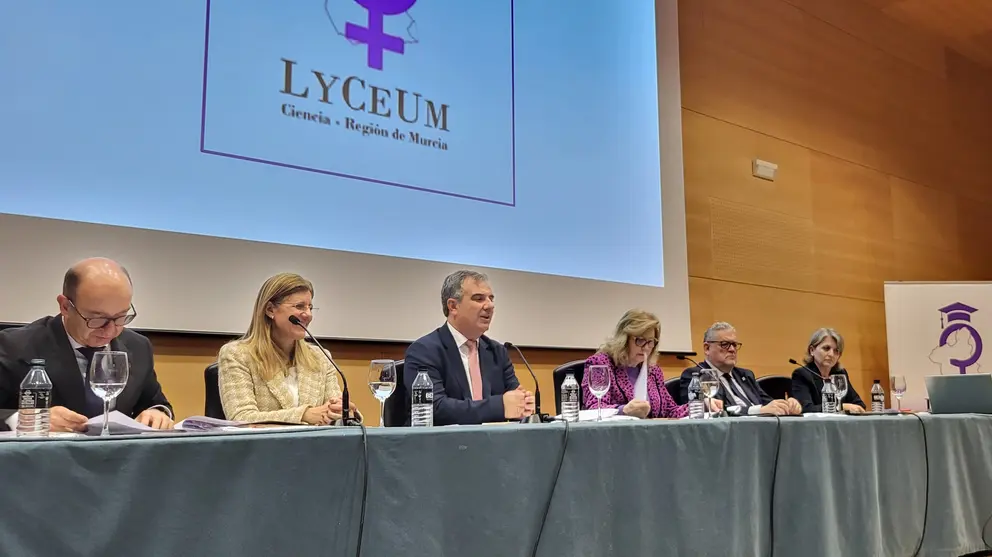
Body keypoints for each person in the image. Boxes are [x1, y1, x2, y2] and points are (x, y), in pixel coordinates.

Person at [0, 258, 174, 432]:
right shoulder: (14, 346)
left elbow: (156, 403)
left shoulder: (138, 346)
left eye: (121, 316)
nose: (110, 330)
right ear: (65, 306)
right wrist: (26, 419)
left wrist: (157, 413)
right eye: (97, 319)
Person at [217, 273, 359, 424]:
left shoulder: (320, 357)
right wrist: (303, 415)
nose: (308, 315)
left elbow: (331, 412)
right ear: (270, 310)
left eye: (310, 307)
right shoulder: (237, 355)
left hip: (316, 446)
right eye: (299, 306)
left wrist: (342, 412)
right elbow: (241, 418)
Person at [403, 270, 535, 425]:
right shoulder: (424, 351)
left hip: (493, 444)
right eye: (479, 299)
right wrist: (499, 406)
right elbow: (434, 409)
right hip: (443, 446)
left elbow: (515, 399)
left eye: (491, 299)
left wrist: (523, 404)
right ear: (453, 306)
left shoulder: (497, 352)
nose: (490, 306)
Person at [582, 309, 717, 418]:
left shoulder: (653, 371)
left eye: (651, 341)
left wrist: (700, 405)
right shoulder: (601, 364)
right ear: (623, 339)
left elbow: (670, 411)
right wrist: (624, 410)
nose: (646, 347)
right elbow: (595, 408)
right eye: (640, 340)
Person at [680, 322, 801, 416]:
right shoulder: (695, 375)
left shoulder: (745, 375)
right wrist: (757, 410)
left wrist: (787, 405)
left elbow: (767, 403)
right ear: (707, 348)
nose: (732, 349)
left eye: (734, 344)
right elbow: (716, 411)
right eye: (725, 344)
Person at [791, 328, 865, 413]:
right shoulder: (802, 374)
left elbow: (859, 404)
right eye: (826, 348)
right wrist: (841, 407)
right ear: (812, 350)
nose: (831, 354)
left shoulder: (840, 374)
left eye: (836, 351)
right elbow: (806, 408)